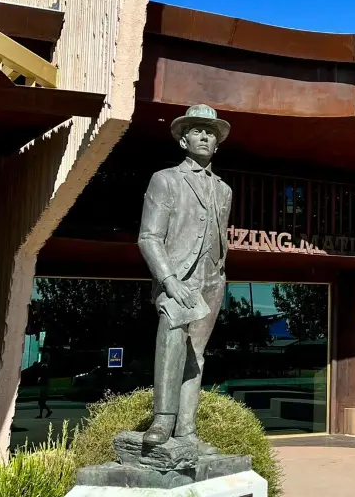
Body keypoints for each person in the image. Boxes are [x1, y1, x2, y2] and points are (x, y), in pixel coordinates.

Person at [138, 104, 232, 453]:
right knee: (171, 344)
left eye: (211, 133)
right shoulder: (165, 180)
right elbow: (149, 237)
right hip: (177, 279)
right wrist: (169, 279)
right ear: (183, 140)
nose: (205, 136)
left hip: (212, 280)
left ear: (217, 144)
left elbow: (218, 235)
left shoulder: (224, 190)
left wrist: (219, 274)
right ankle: (162, 418)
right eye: (197, 130)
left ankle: (187, 430)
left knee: (197, 354)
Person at [35, 353, 53, 419]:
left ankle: (44, 413)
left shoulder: (43, 367)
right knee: (42, 401)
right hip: (45, 386)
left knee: (41, 401)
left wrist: (39, 380)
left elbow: (40, 377)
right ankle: (45, 412)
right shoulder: (47, 368)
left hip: (43, 386)